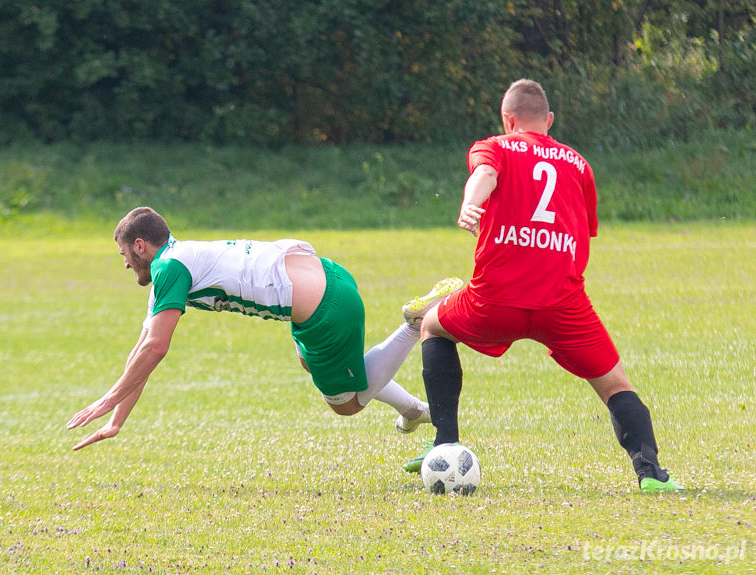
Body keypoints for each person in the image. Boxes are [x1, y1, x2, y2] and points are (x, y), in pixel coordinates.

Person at [401, 79, 684, 493]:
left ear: (507, 119)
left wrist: (471, 203)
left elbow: (484, 173)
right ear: (548, 121)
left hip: (494, 299)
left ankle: (445, 443)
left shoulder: (495, 145)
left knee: (431, 325)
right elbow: (581, 231)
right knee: (615, 385)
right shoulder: (578, 164)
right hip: (563, 305)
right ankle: (652, 476)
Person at [67, 206, 463, 451]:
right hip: (329, 278)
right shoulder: (177, 259)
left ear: (139, 245)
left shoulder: (168, 269)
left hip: (325, 309)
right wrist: (117, 419)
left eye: (123, 254)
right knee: (311, 364)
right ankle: (413, 410)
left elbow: (156, 348)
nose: (124, 265)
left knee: (348, 403)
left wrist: (106, 398)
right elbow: (142, 349)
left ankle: (413, 324)